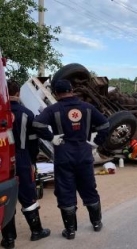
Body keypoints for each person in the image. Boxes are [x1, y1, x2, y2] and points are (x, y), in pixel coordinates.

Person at [32, 79, 109, 240]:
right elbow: (105, 125)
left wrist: (51, 137)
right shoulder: (87, 108)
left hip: (63, 156)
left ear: (56, 93)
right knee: (89, 189)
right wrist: (95, 143)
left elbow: (37, 124)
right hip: (84, 155)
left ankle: (70, 230)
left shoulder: (53, 109)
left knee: (65, 191)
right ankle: (96, 223)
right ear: (72, 90)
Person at [1, 81, 51, 249]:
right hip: (22, 159)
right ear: (18, 93)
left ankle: (8, 239)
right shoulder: (27, 113)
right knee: (28, 196)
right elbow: (33, 141)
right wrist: (32, 160)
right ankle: (36, 231)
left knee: (5, 199)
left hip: (3, 161)